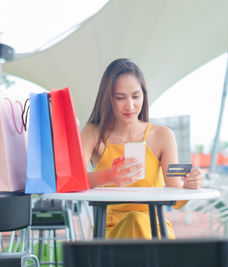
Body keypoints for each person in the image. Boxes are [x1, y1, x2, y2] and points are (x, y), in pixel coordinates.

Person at [81, 58, 204, 239]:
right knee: (133, 221)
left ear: (144, 95)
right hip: (110, 229)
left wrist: (190, 186)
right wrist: (110, 176)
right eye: (120, 97)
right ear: (107, 99)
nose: (130, 106)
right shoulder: (93, 133)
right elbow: (72, 181)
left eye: (136, 96)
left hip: (154, 227)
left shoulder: (162, 135)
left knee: (137, 220)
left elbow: (176, 200)